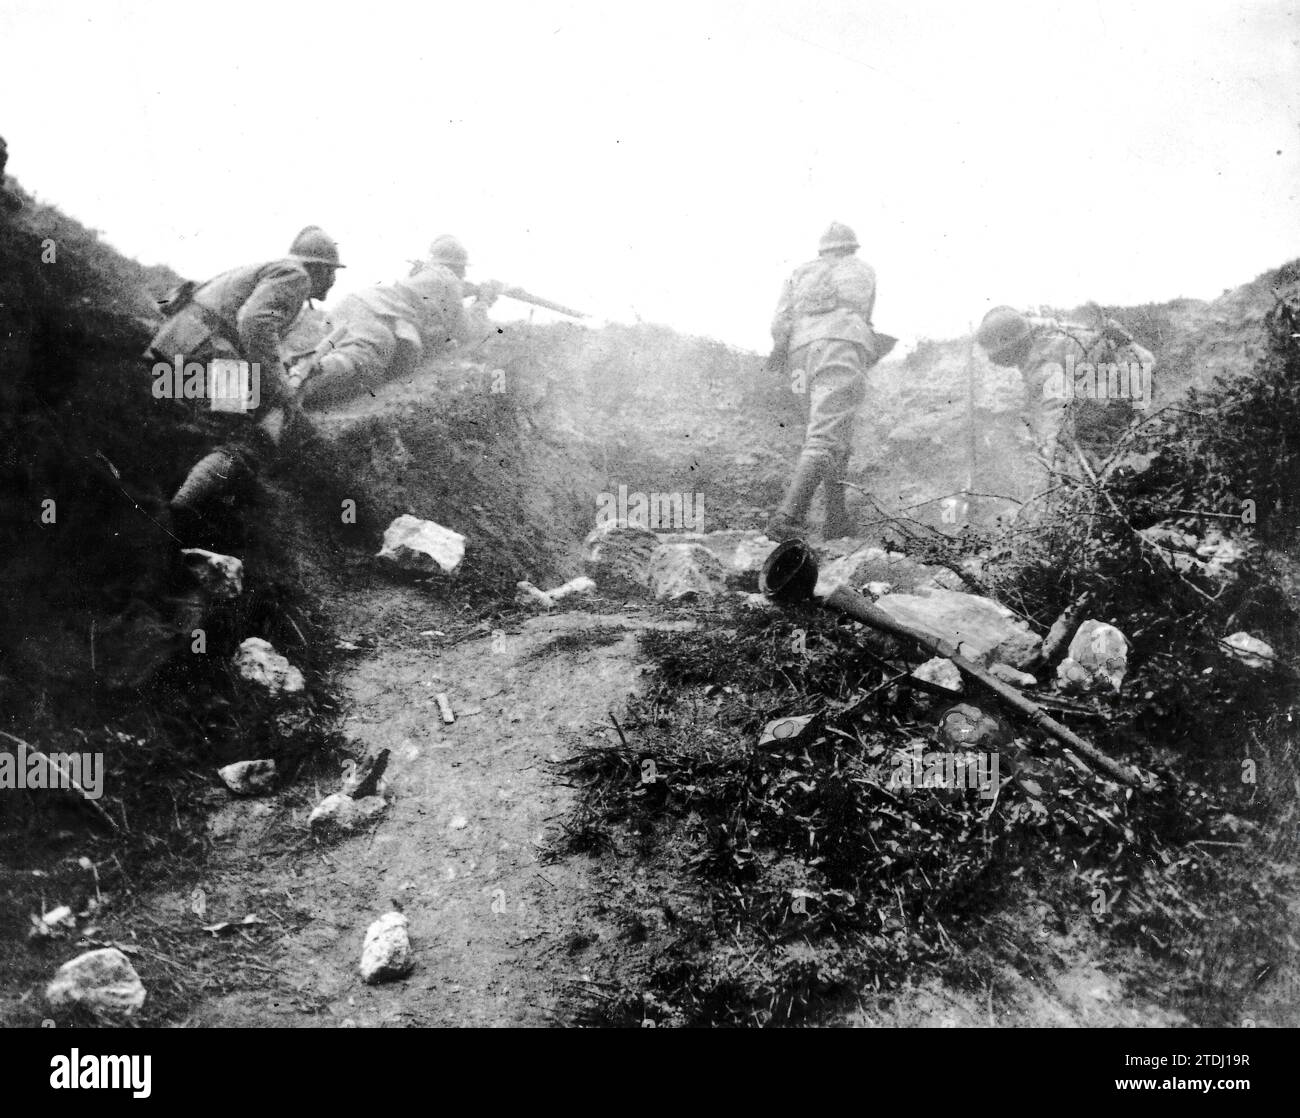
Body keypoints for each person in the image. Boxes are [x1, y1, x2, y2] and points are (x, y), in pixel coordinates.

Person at [145, 226, 343, 533]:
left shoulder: (272, 269)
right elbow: (255, 324)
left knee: (201, 427)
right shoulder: (296, 276)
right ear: (320, 268)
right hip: (212, 353)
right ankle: (177, 513)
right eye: (333, 273)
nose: (333, 281)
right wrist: (281, 390)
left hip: (177, 345)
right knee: (242, 439)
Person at [766, 221, 892, 539]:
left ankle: (836, 518)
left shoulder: (800, 272)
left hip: (798, 356)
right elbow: (865, 316)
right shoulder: (862, 270)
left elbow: (779, 322)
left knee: (826, 432)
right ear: (851, 248)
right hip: (840, 345)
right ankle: (787, 518)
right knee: (827, 435)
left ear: (822, 250)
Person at [290, 234, 500, 408]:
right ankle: (291, 384)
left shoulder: (428, 278)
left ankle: (294, 386)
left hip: (365, 309)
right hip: (375, 312)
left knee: (363, 373)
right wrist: (483, 302)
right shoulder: (448, 278)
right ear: (458, 268)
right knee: (365, 357)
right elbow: (466, 331)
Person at [976, 305, 1155, 470]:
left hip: (1124, 387)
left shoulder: (1040, 360)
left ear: (1010, 348)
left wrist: (1052, 446)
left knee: (1089, 441)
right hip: (1138, 369)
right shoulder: (1048, 332)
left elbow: (1055, 404)